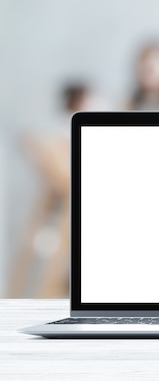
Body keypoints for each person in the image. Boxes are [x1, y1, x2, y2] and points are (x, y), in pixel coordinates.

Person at [8, 82, 92, 298]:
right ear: (80, 101)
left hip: (66, 215)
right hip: (59, 216)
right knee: (49, 276)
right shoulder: (61, 138)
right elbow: (64, 179)